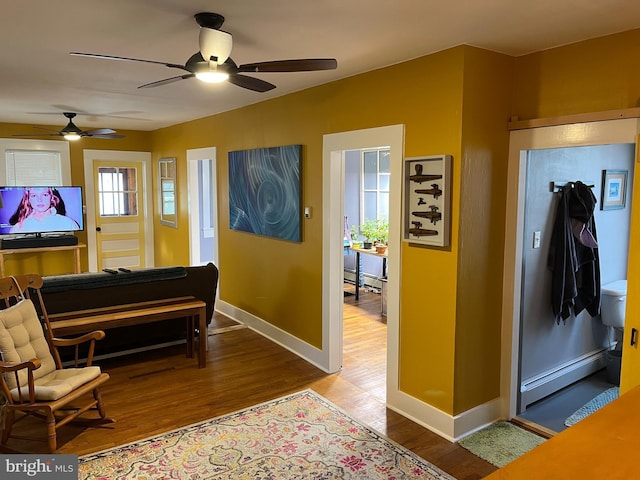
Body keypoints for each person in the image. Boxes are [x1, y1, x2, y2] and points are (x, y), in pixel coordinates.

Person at [9, 187, 80, 234]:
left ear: (51, 197)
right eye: (34, 196)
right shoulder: (18, 228)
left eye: (45, 195)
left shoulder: (68, 224)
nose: (39, 200)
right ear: (28, 199)